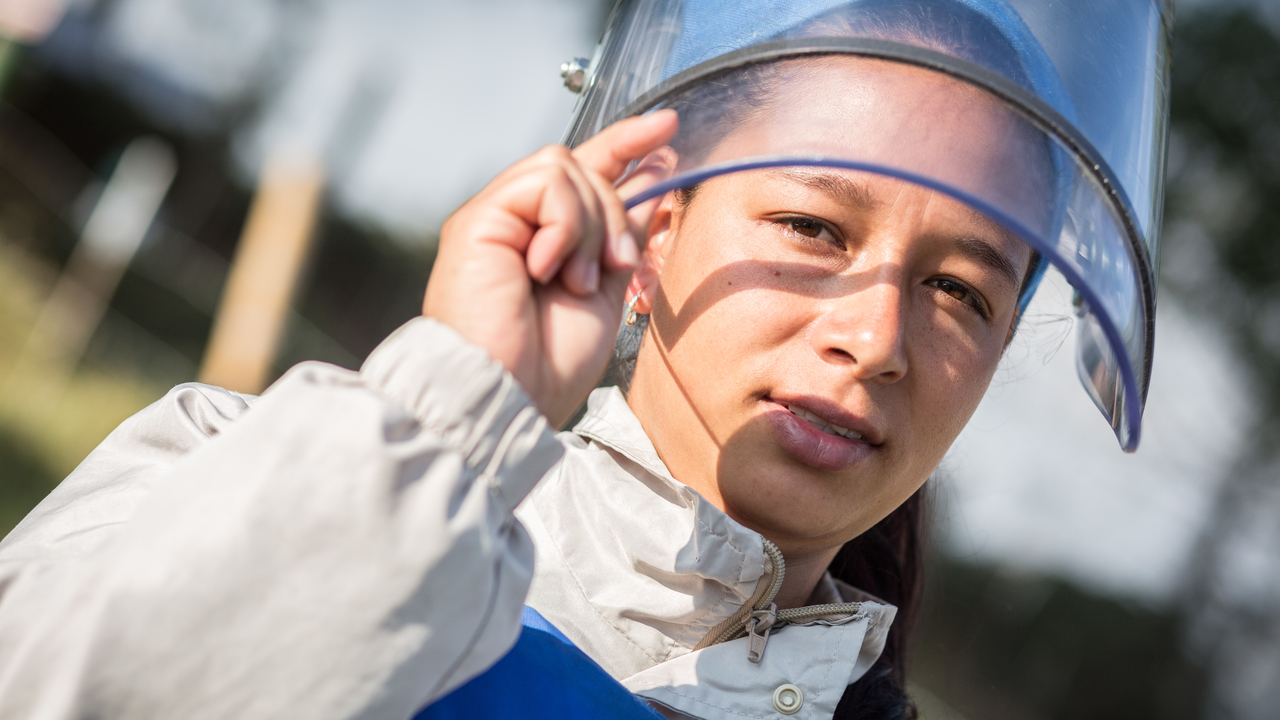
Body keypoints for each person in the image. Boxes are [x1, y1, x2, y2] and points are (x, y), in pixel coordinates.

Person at [0, 1, 1171, 719]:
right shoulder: (232, 469)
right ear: (650, 221)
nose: (872, 342)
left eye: (959, 293)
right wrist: (450, 426)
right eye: (812, 228)